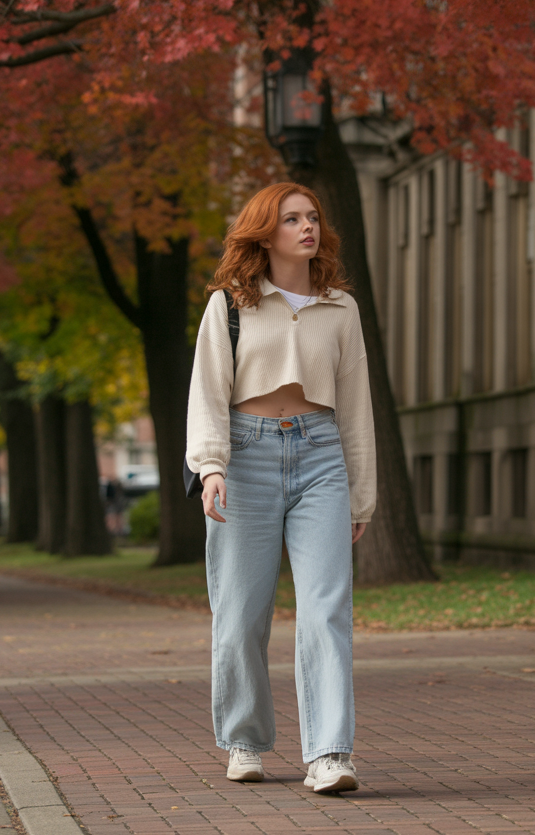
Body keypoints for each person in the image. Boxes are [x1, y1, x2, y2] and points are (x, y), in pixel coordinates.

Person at [186, 181, 376, 794]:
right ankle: (244, 738)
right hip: (246, 456)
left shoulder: (340, 307)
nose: (307, 227)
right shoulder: (231, 304)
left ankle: (330, 754)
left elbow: (355, 408)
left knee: (326, 610)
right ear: (265, 231)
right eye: (291, 219)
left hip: (321, 457)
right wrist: (211, 465)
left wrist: (362, 495)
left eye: (312, 217)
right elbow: (209, 391)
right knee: (240, 611)